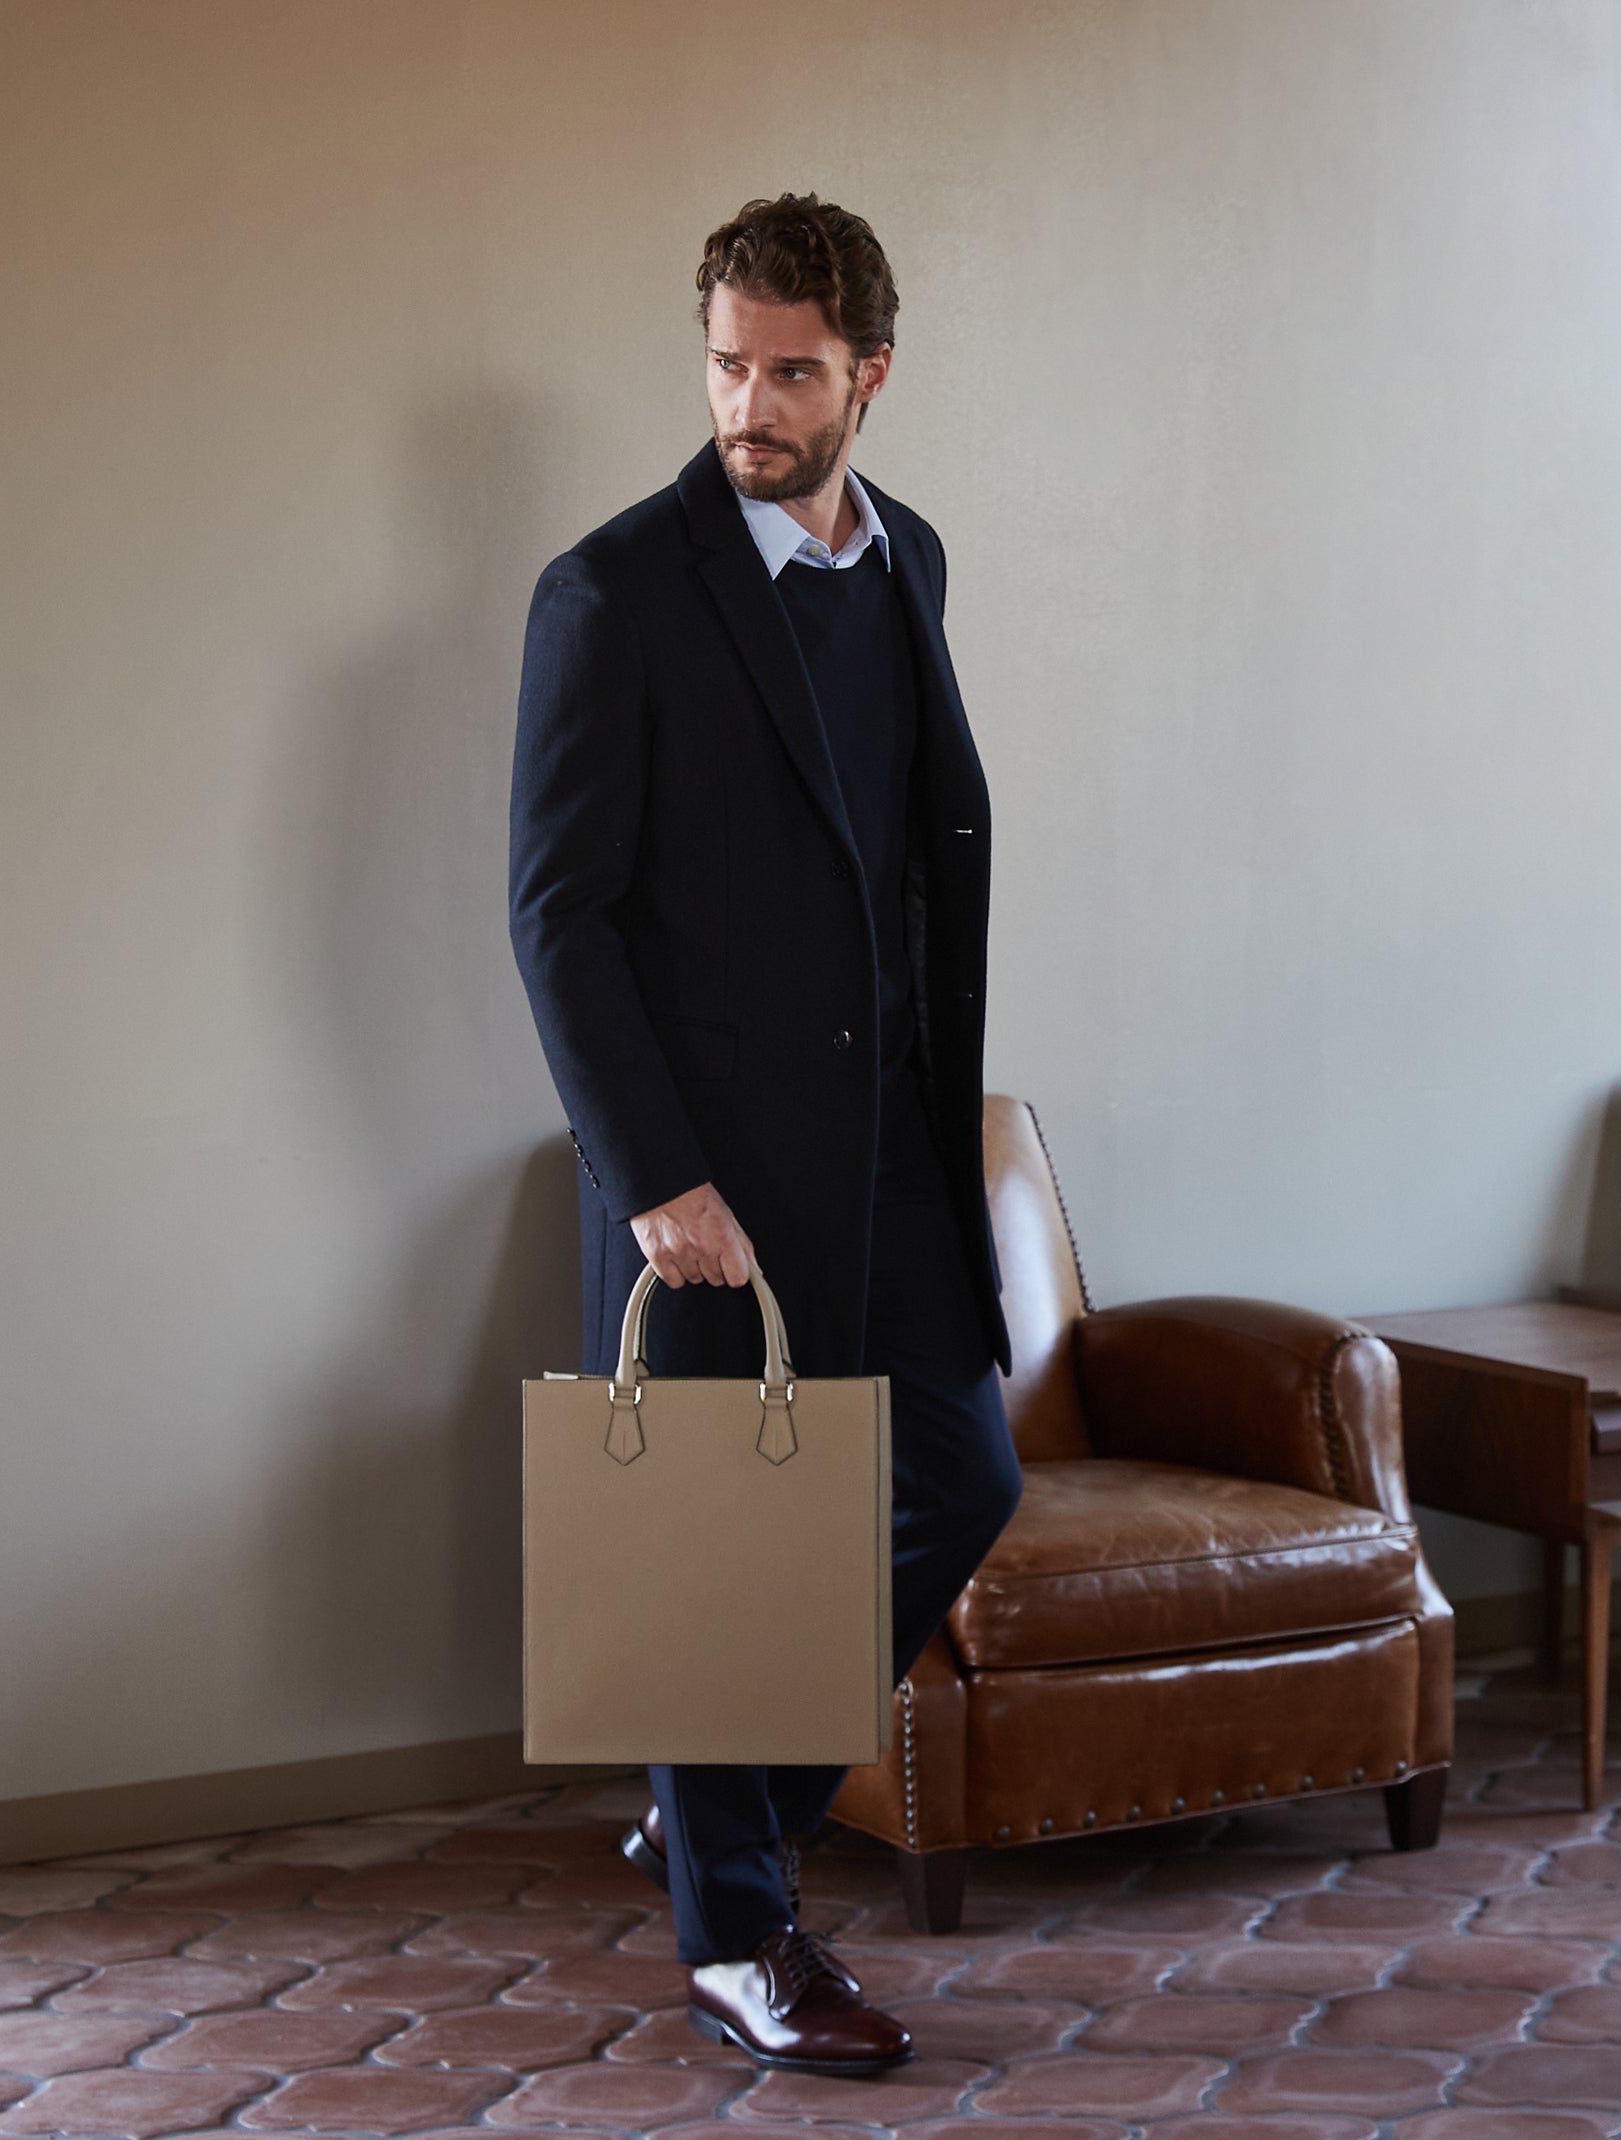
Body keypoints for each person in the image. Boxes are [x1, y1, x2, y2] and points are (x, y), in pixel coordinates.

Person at [507, 194, 1020, 2078]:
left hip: (884, 1145)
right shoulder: (614, 591)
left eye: (792, 370)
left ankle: (717, 1822)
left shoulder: (912, 565)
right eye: (727, 364)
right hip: (702, 1181)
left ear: (868, 375)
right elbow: (557, 910)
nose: (752, 403)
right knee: (717, 1559)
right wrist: (654, 1176)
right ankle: (739, 1939)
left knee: (965, 1478)